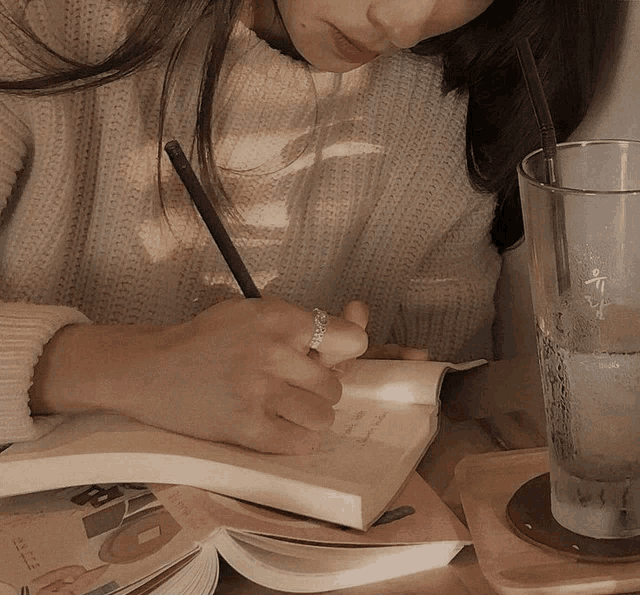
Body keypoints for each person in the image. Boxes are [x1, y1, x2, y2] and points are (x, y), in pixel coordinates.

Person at [0, 0, 620, 453]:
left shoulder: (444, 109)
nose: (404, 24)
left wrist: (379, 384)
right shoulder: (36, 23)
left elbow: (435, 383)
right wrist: (139, 368)